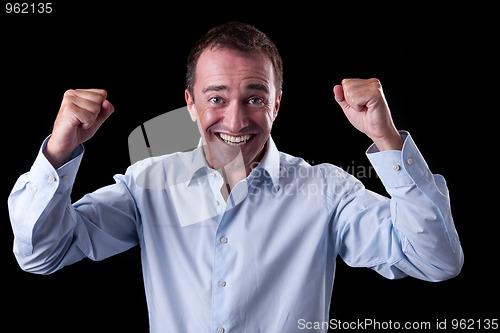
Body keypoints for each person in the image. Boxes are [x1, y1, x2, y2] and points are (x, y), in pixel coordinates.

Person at [8, 22, 463, 332]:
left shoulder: (327, 192)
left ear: (277, 104)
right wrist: (60, 148)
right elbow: (42, 253)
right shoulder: (148, 186)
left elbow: (434, 261)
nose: (235, 119)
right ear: (190, 104)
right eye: (216, 98)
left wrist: (385, 137)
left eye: (254, 98)